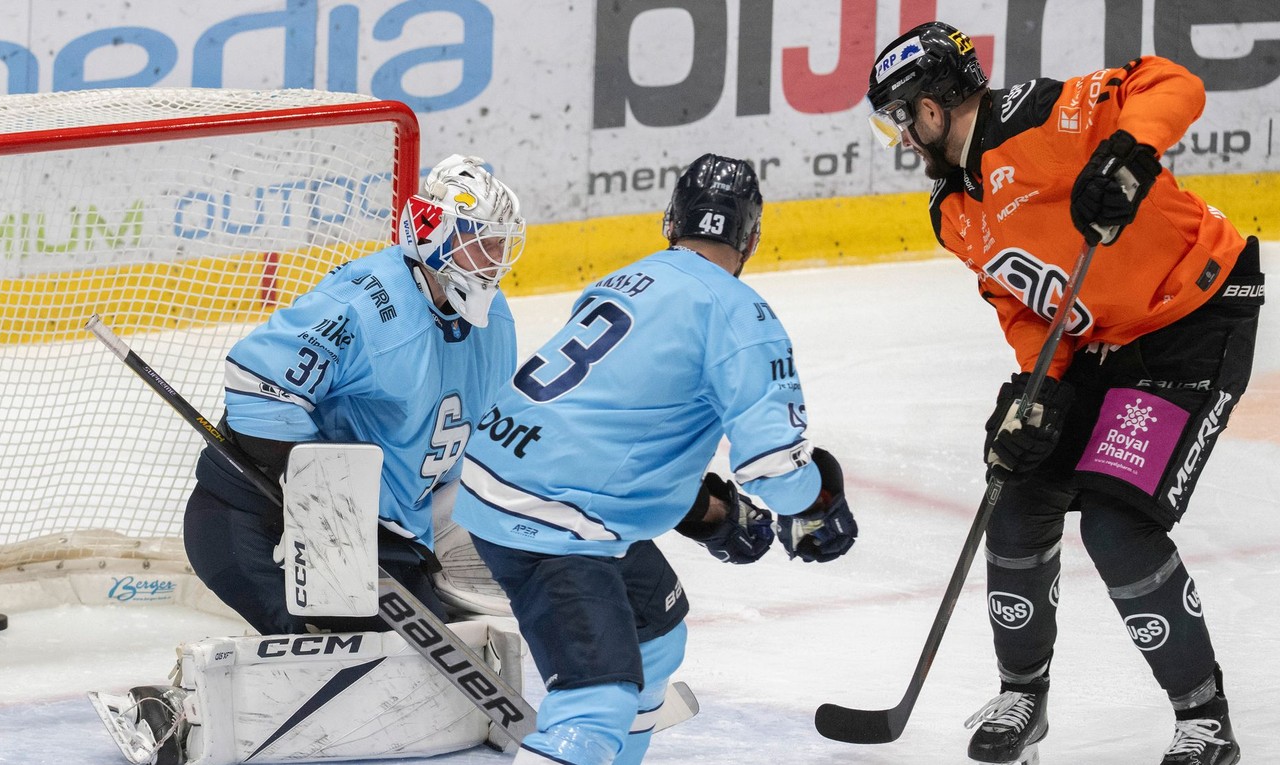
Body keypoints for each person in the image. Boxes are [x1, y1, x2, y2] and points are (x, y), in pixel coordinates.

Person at [866, 21, 1262, 765]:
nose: (903, 140)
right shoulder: (952, 210)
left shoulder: (1042, 115)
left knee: (1116, 525)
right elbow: (1024, 303)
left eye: (900, 118)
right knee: (1014, 490)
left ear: (930, 106)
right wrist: (1038, 387)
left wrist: (1127, 151)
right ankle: (1024, 694)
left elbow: (1175, 84)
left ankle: (1205, 718)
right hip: (1097, 342)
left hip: (1192, 319)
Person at [452, 153, 860, 765]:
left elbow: (614, 429)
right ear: (752, 236)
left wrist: (711, 513)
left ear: (672, 222)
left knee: (656, 639)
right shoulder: (741, 315)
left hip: (500, 479)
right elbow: (776, 473)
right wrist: (818, 501)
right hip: (554, 519)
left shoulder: (625, 280)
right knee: (595, 708)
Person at [183, 153, 527, 636]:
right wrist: (324, 506)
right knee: (352, 655)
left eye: (498, 246)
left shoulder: (496, 323)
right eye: (479, 245)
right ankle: (180, 710)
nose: (493, 260)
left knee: (438, 649)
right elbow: (257, 384)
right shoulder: (365, 305)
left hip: (379, 531)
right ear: (431, 232)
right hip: (259, 522)